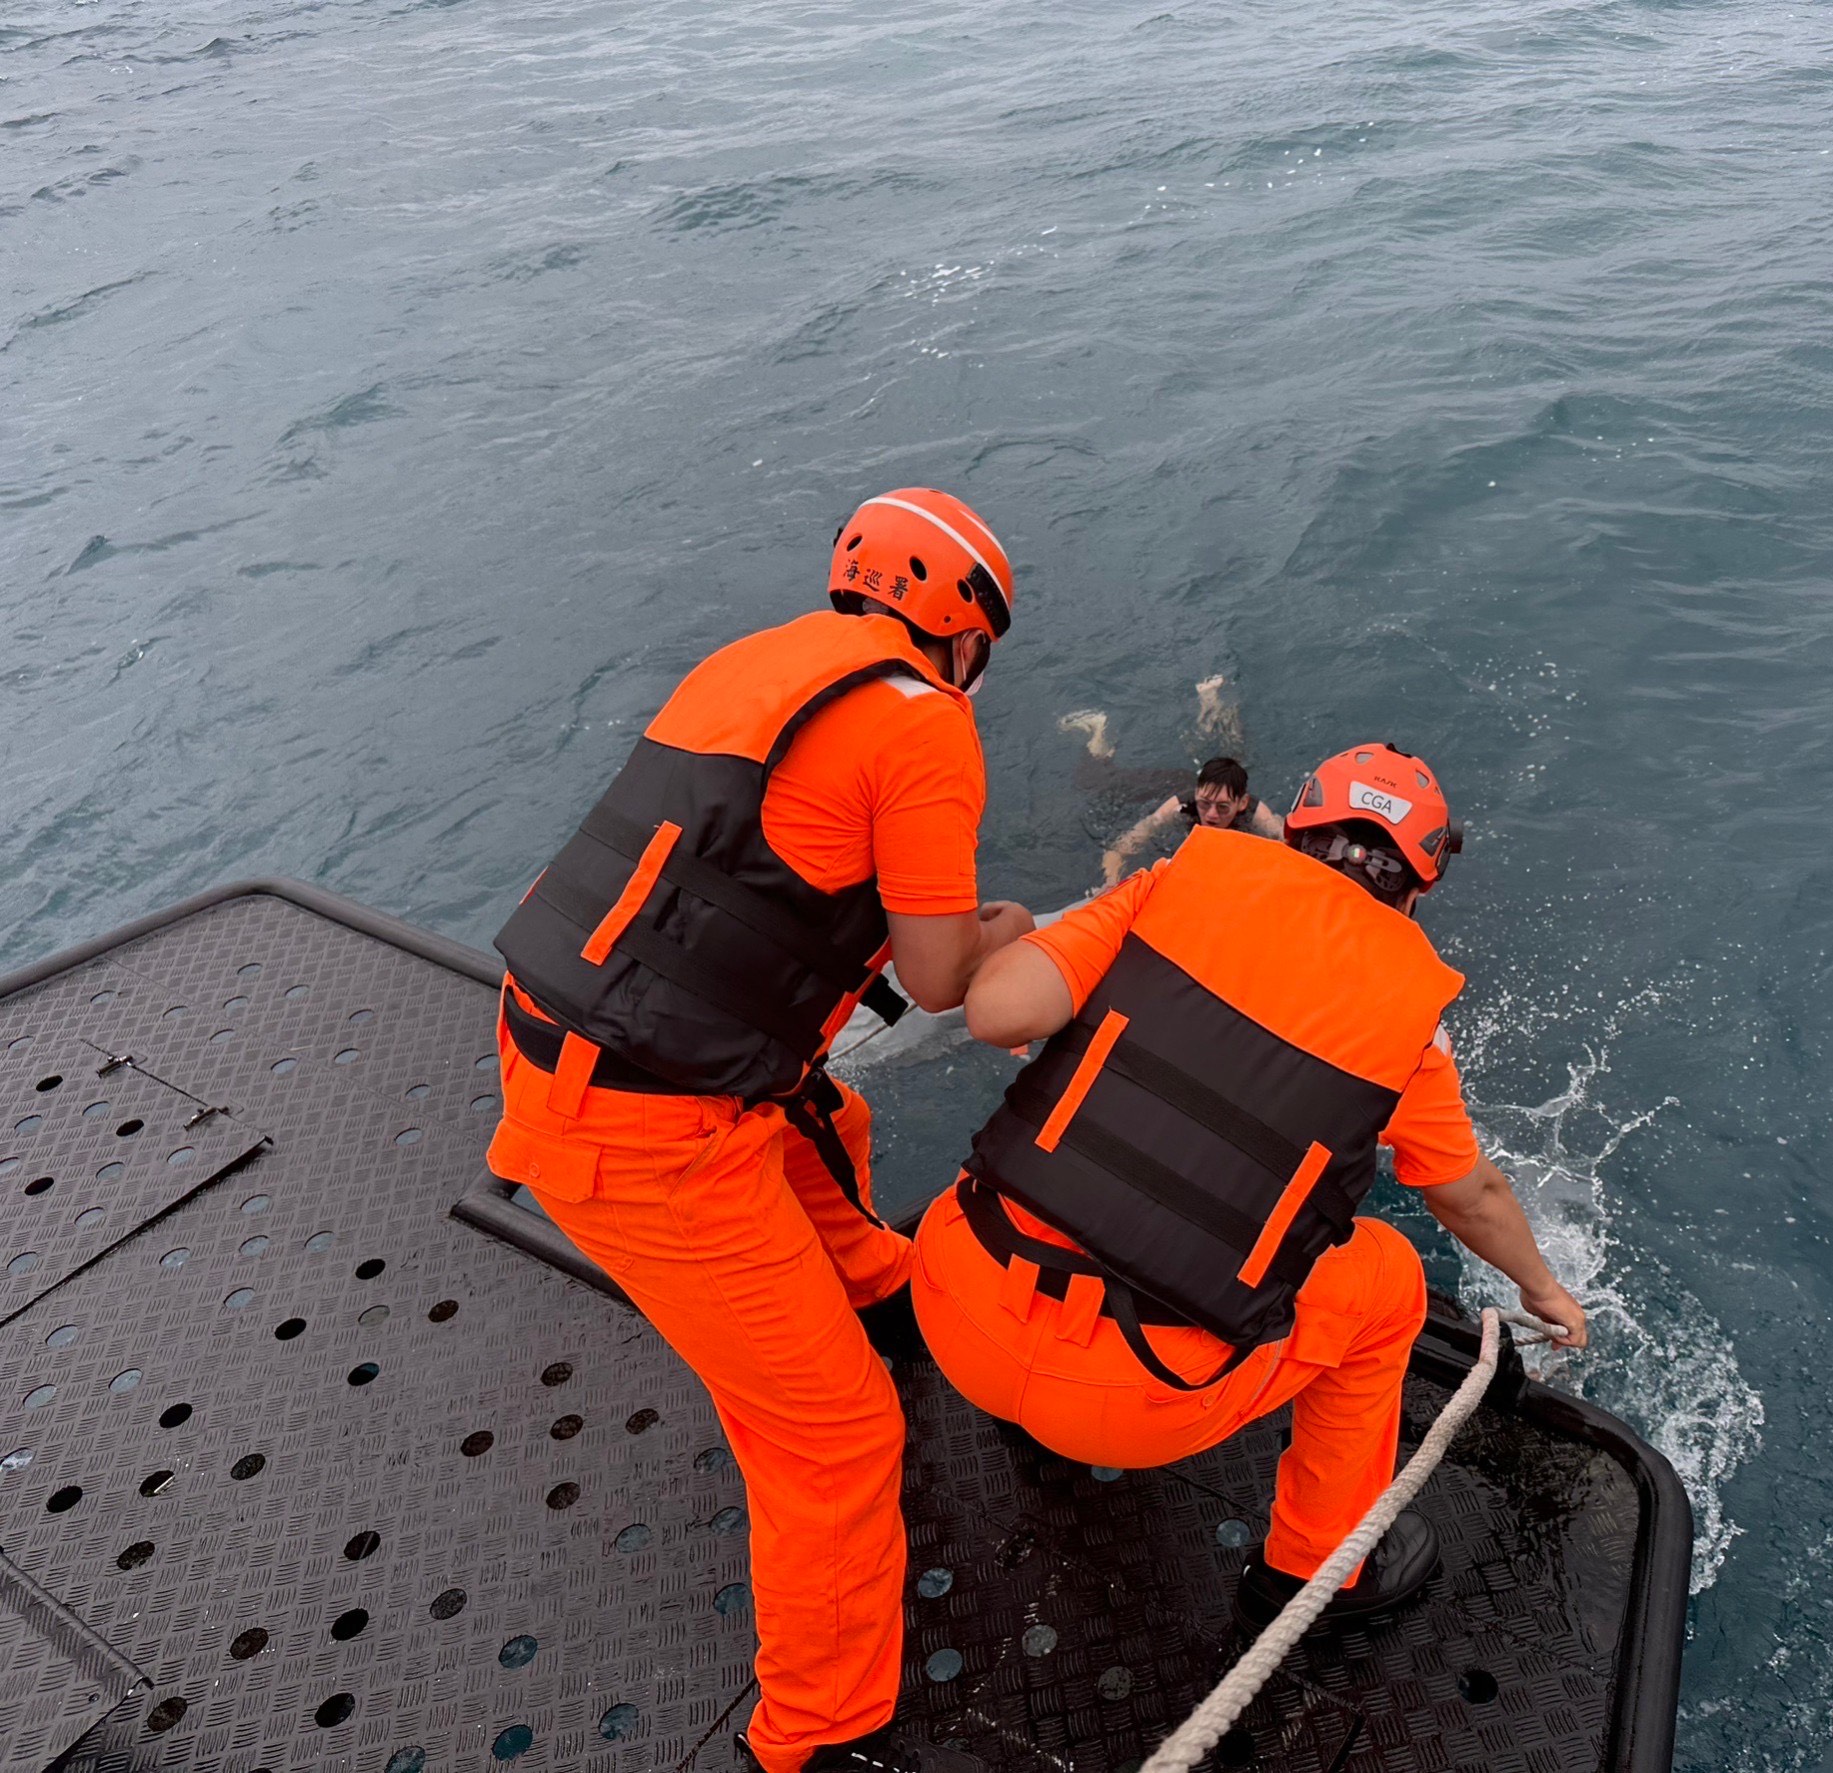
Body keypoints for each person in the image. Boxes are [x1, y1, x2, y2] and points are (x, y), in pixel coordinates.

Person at [483, 488, 1035, 1772]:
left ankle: (874, 1289)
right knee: (835, 1436)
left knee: (817, 1113)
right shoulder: (930, 729)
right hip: (642, 1134)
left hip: (561, 1033)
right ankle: (818, 1733)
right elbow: (943, 976)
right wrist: (1007, 933)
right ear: (967, 635)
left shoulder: (756, 663)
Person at [908, 742, 1587, 1631]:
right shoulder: (1406, 1015)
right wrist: (1544, 1290)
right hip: (1136, 1398)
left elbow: (998, 1012)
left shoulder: (1168, 883)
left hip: (955, 1307)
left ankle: (1033, 1417)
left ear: (1295, 832)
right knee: (1387, 1278)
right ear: (1418, 888)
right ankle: (1317, 1567)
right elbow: (1472, 1197)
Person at [1100, 756, 1284, 887]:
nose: (1211, 815)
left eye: (1222, 807)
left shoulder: (1254, 811)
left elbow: (1284, 836)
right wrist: (1111, 880)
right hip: (1174, 780)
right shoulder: (1181, 805)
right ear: (1196, 794)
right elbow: (1123, 844)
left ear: (1241, 803)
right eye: (1204, 804)